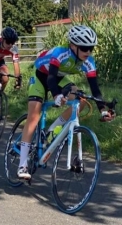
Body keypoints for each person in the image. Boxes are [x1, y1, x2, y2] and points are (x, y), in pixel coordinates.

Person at [17, 25, 115, 179]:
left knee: (81, 99)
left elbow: (95, 89)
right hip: (41, 75)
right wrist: (56, 95)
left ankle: (52, 130)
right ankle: (22, 164)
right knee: (34, 116)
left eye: (91, 48)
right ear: (73, 46)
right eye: (84, 48)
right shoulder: (60, 53)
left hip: (60, 78)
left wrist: (103, 109)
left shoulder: (89, 61)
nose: (88, 52)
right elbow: (50, 78)